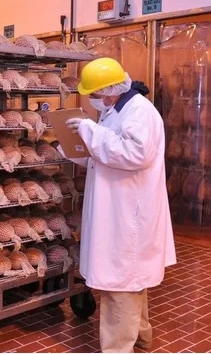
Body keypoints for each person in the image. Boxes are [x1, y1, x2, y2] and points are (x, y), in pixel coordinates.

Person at [61, 57, 176, 353]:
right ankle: (141, 337)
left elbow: (134, 154)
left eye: (95, 95)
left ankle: (117, 349)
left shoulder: (140, 112)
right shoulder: (116, 109)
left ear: (111, 89)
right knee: (130, 281)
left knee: (121, 285)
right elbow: (103, 154)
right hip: (116, 209)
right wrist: (70, 145)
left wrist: (91, 131)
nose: (94, 101)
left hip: (130, 214)